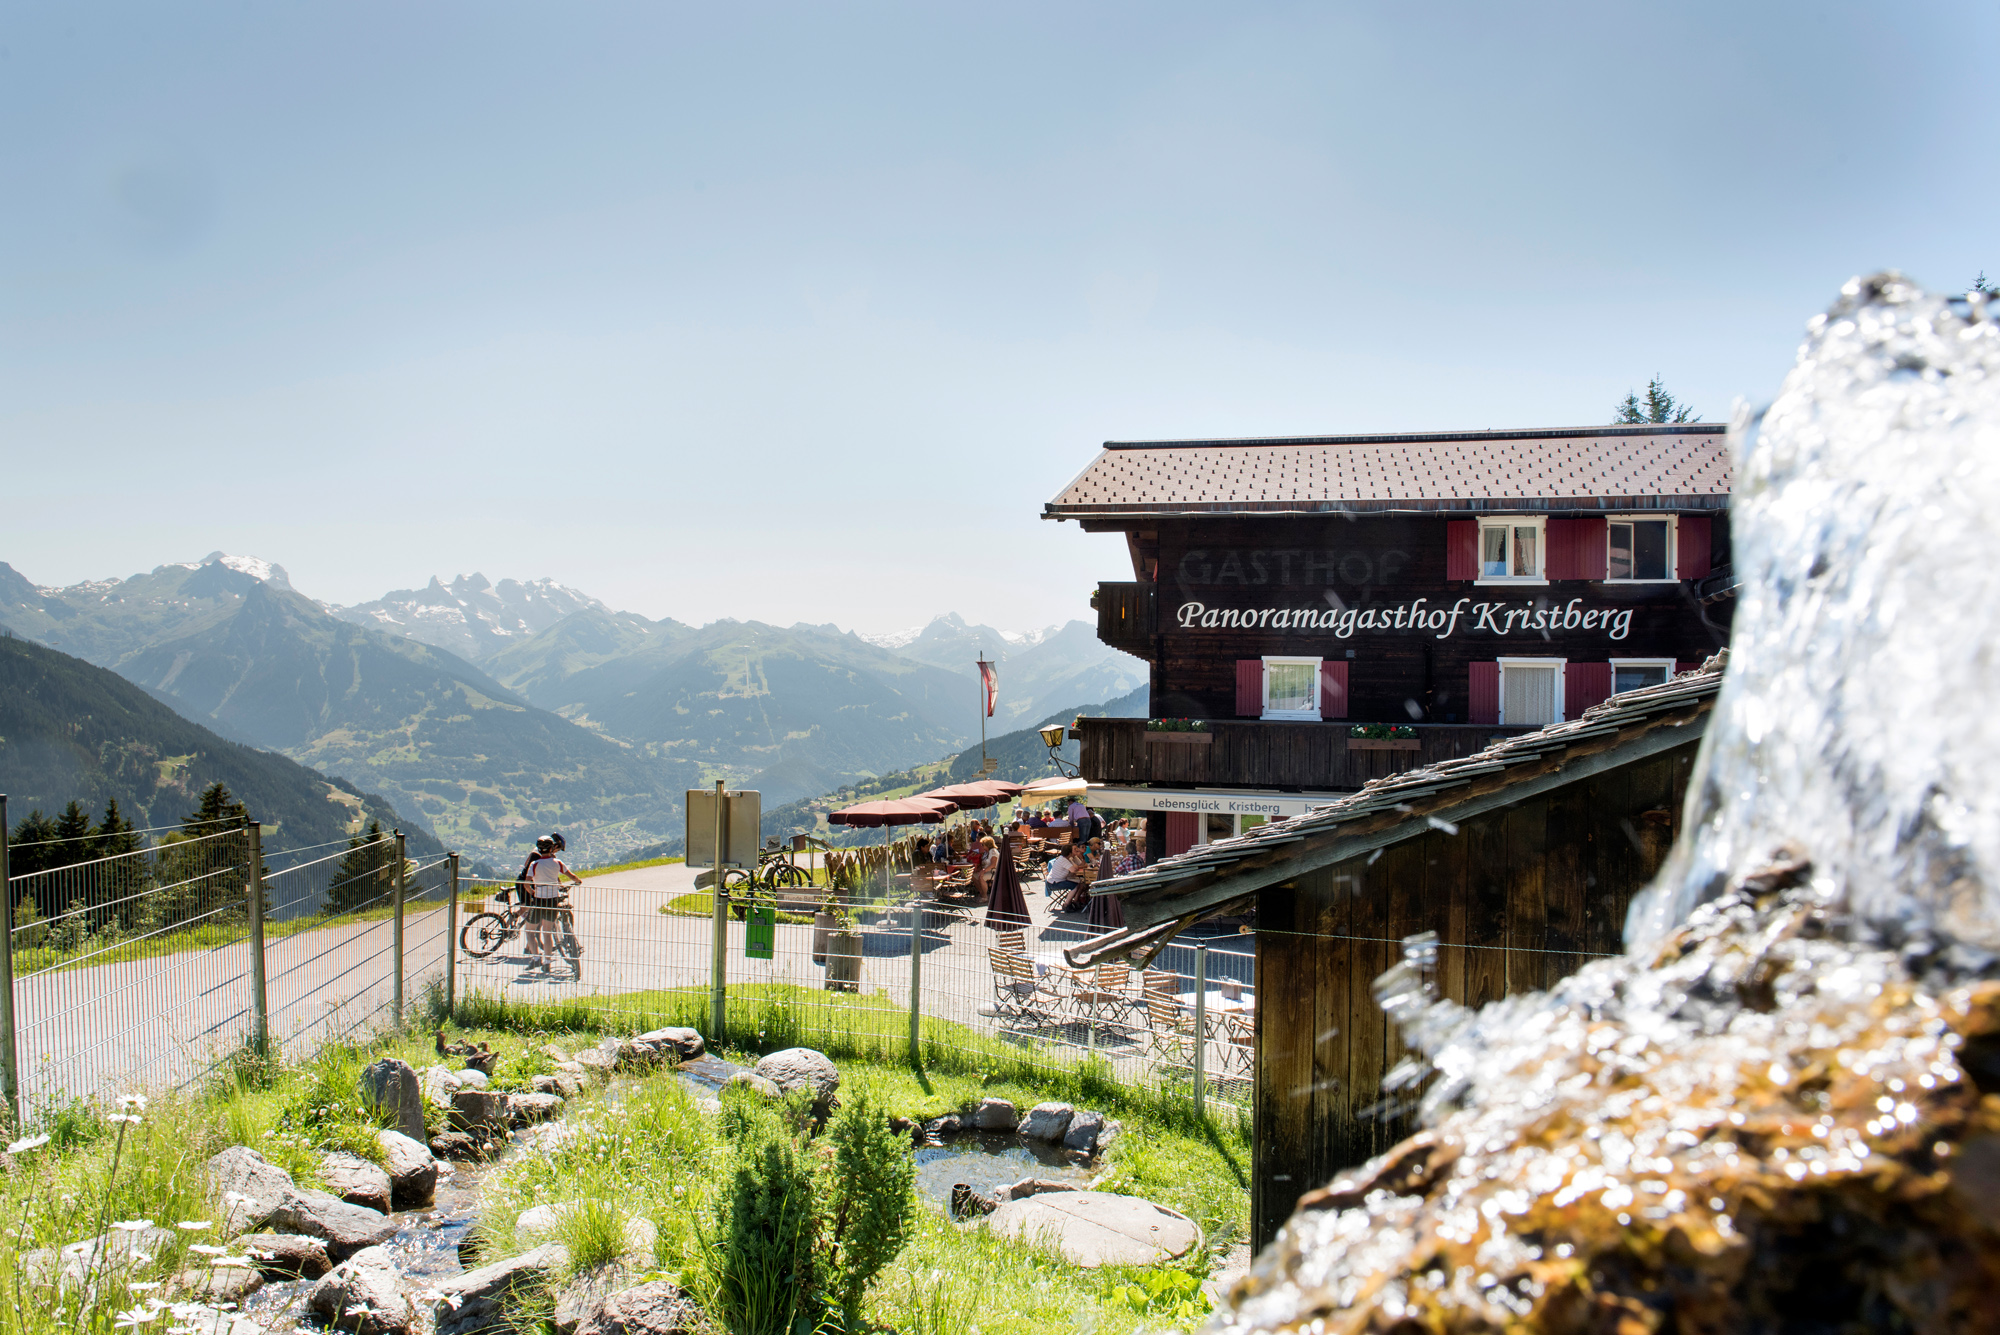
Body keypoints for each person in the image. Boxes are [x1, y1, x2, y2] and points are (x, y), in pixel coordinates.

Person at [524, 834, 582, 971]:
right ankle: (547, 962)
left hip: (539, 900)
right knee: (547, 932)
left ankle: (536, 958)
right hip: (553, 900)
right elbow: (572, 876)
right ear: (552, 848)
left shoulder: (535, 864)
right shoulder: (558, 863)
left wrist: (532, 892)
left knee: (529, 931)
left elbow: (527, 883)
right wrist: (578, 881)